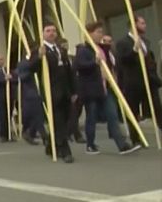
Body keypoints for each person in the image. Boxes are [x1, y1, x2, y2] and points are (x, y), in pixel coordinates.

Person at [75, 22, 141, 155]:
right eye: (98, 32)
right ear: (90, 33)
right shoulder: (83, 50)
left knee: (113, 116)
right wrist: (94, 62)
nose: (101, 35)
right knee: (91, 117)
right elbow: (79, 66)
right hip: (92, 89)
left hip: (106, 87)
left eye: (101, 32)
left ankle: (122, 145)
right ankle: (90, 144)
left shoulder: (102, 49)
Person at [29, 23, 76, 163]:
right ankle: (64, 150)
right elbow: (31, 68)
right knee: (58, 121)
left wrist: (74, 90)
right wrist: (39, 57)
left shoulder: (61, 50)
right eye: (48, 31)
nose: (51, 33)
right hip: (51, 93)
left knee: (68, 120)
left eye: (54, 31)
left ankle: (50, 145)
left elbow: (69, 72)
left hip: (65, 91)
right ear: (43, 34)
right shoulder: (39, 50)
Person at [115, 15, 162, 147]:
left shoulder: (145, 41)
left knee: (157, 108)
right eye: (142, 23)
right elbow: (123, 61)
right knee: (133, 110)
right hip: (133, 82)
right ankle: (135, 138)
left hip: (149, 81)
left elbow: (149, 60)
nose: (145, 25)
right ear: (134, 25)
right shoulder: (123, 43)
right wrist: (134, 50)